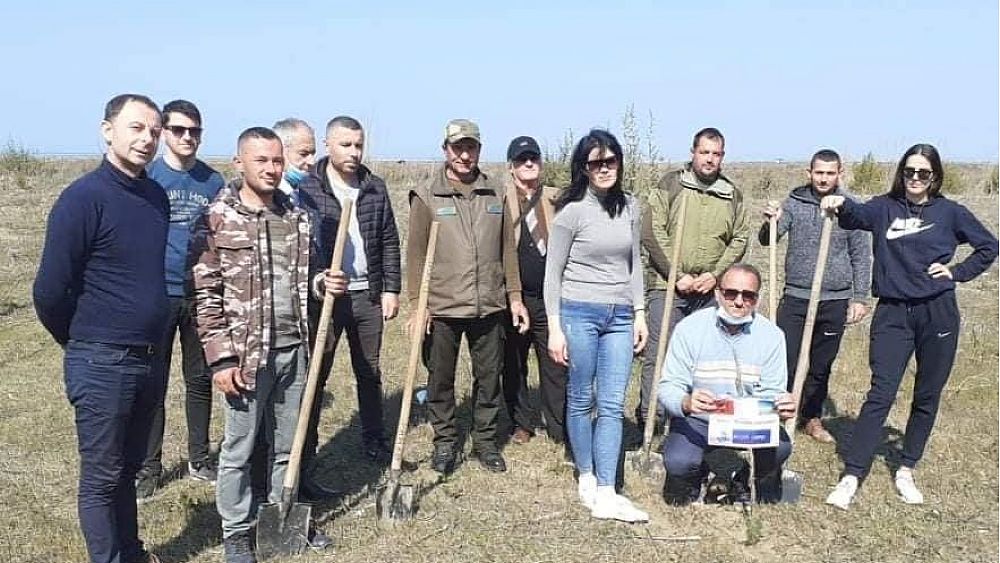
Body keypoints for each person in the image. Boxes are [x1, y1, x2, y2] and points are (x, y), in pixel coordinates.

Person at [190, 127, 340, 562]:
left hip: (295, 347)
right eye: (262, 161)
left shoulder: (296, 213)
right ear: (240, 163)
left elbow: (298, 280)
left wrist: (320, 284)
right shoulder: (218, 216)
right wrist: (220, 360)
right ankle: (236, 531)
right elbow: (206, 293)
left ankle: (282, 515)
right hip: (246, 355)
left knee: (288, 443)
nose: (272, 169)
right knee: (240, 447)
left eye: (277, 160)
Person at [821, 144, 998, 509]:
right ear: (901, 173)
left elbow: (988, 246)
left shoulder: (950, 213)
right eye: (909, 172)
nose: (915, 179)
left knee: (927, 394)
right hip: (893, 314)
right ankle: (852, 474)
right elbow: (857, 215)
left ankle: (906, 468)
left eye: (923, 173)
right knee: (881, 392)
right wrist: (838, 202)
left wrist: (956, 272)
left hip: (938, 312)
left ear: (934, 177)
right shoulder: (884, 207)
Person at [33, 93, 167, 563]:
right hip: (101, 358)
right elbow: (49, 291)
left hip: (149, 356)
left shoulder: (155, 197)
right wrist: (82, 340)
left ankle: (131, 552)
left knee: (128, 469)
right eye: (136, 128)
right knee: (101, 476)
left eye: (154, 130)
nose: (147, 138)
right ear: (107, 130)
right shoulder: (83, 199)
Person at [406, 118, 529, 474]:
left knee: (489, 378)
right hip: (443, 305)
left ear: (479, 149)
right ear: (446, 150)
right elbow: (414, 255)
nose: (464, 154)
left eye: (471, 147)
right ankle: (445, 442)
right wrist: (419, 305)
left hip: (488, 303)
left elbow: (508, 249)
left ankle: (486, 442)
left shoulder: (496, 193)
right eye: (457, 147)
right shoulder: (427, 194)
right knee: (440, 379)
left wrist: (515, 296)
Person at [545, 129, 649, 522]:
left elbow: (635, 263)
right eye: (596, 163)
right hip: (579, 312)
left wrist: (639, 313)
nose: (604, 169)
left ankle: (607, 488)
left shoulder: (632, 207)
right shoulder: (570, 212)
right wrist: (555, 327)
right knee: (581, 397)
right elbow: (552, 274)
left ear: (619, 163)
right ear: (584, 168)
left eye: (610, 161)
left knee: (612, 403)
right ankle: (585, 474)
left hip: (620, 315)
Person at [297, 115, 402, 477]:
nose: (354, 151)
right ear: (329, 145)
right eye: (346, 144)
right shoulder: (309, 188)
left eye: (359, 144)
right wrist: (317, 280)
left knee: (369, 371)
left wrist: (390, 289)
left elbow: (389, 240)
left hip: (366, 295)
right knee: (316, 372)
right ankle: (305, 443)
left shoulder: (375, 187)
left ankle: (374, 438)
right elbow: (300, 248)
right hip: (324, 296)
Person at [136, 99, 225, 500]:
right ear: (165, 133)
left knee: (200, 379)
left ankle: (200, 457)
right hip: (158, 292)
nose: (187, 137)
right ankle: (149, 467)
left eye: (195, 131)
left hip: (201, 294)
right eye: (179, 130)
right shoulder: (148, 177)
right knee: (153, 382)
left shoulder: (213, 181)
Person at [638, 127, 749, 429]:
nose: (710, 159)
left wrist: (715, 276)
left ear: (722, 157)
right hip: (668, 286)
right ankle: (651, 420)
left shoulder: (732, 194)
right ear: (693, 153)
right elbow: (651, 230)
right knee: (658, 356)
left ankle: (693, 423)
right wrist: (676, 274)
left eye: (716, 154)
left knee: (703, 360)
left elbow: (740, 239)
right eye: (704, 152)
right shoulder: (671, 184)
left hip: (707, 292)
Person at [658, 263, 797, 505]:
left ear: (757, 299)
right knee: (678, 462)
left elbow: (773, 390)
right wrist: (686, 402)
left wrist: (781, 407)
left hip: (750, 423)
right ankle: (698, 474)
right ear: (718, 294)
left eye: (748, 295)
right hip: (701, 420)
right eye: (731, 293)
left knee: (781, 448)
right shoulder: (689, 329)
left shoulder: (773, 336)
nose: (739, 302)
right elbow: (669, 385)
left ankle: (758, 478)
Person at [758, 149, 871, 443]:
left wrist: (860, 297)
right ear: (809, 174)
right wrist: (772, 219)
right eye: (818, 172)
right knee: (786, 359)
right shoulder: (794, 203)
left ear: (839, 174)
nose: (823, 178)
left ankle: (811, 417)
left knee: (821, 364)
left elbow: (861, 256)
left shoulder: (850, 209)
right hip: (797, 296)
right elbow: (767, 239)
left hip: (834, 299)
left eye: (829, 173)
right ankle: (778, 414)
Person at [501, 136, 567, 447]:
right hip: (514, 297)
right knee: (513, 363)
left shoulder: (557, 198)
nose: (528, 164)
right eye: (521, 159)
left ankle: (558, 425)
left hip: (550, 296)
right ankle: (521, 422)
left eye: (533, 158)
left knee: (555, 363)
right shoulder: (500, 199)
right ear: (511, 166)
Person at [272, 118, 316, 205]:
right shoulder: (266, 196)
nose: (312, 162)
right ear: (280, 151)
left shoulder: (312, 197)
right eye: (303, 154)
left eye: (313, 154)